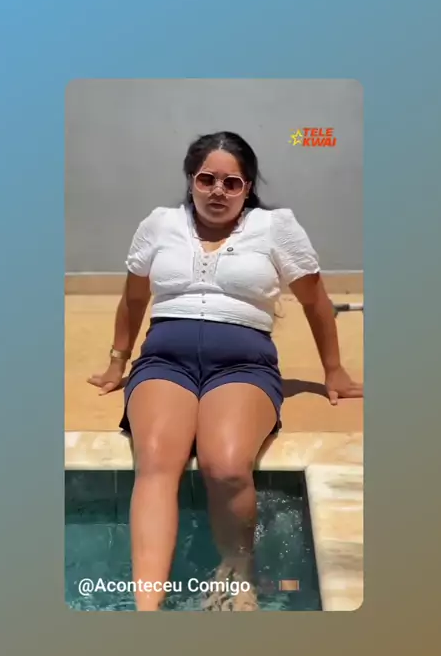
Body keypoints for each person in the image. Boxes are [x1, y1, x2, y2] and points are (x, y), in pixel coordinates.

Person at [88, 131, 363, 611]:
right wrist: (117, 362)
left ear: (247, 186)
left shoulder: (275, 228)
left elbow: (316, 302)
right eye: (207, 179)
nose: (218, 191)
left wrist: (333, 370)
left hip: (243, 365)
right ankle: (145, 610)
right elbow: (134, 299)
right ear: (190, 180)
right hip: (164, 362)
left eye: (231, 182)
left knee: (227, 466)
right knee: (156, 463)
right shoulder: (159, 224)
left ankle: (237, 571)